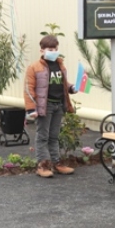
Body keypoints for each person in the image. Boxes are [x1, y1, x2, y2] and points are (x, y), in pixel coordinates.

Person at [23, 34, 78, 178]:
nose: (53, 52)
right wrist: (31, 109)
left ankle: (56, 163)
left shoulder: (60, 65)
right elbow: (28, 89)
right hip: (44, 106)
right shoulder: (34, 67)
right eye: (49, 49)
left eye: (55, 49)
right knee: (43, 136)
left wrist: (71, 88)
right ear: (42, 50)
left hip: (58, 105)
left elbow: (62, 83)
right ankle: (42, 165)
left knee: (54, 136)